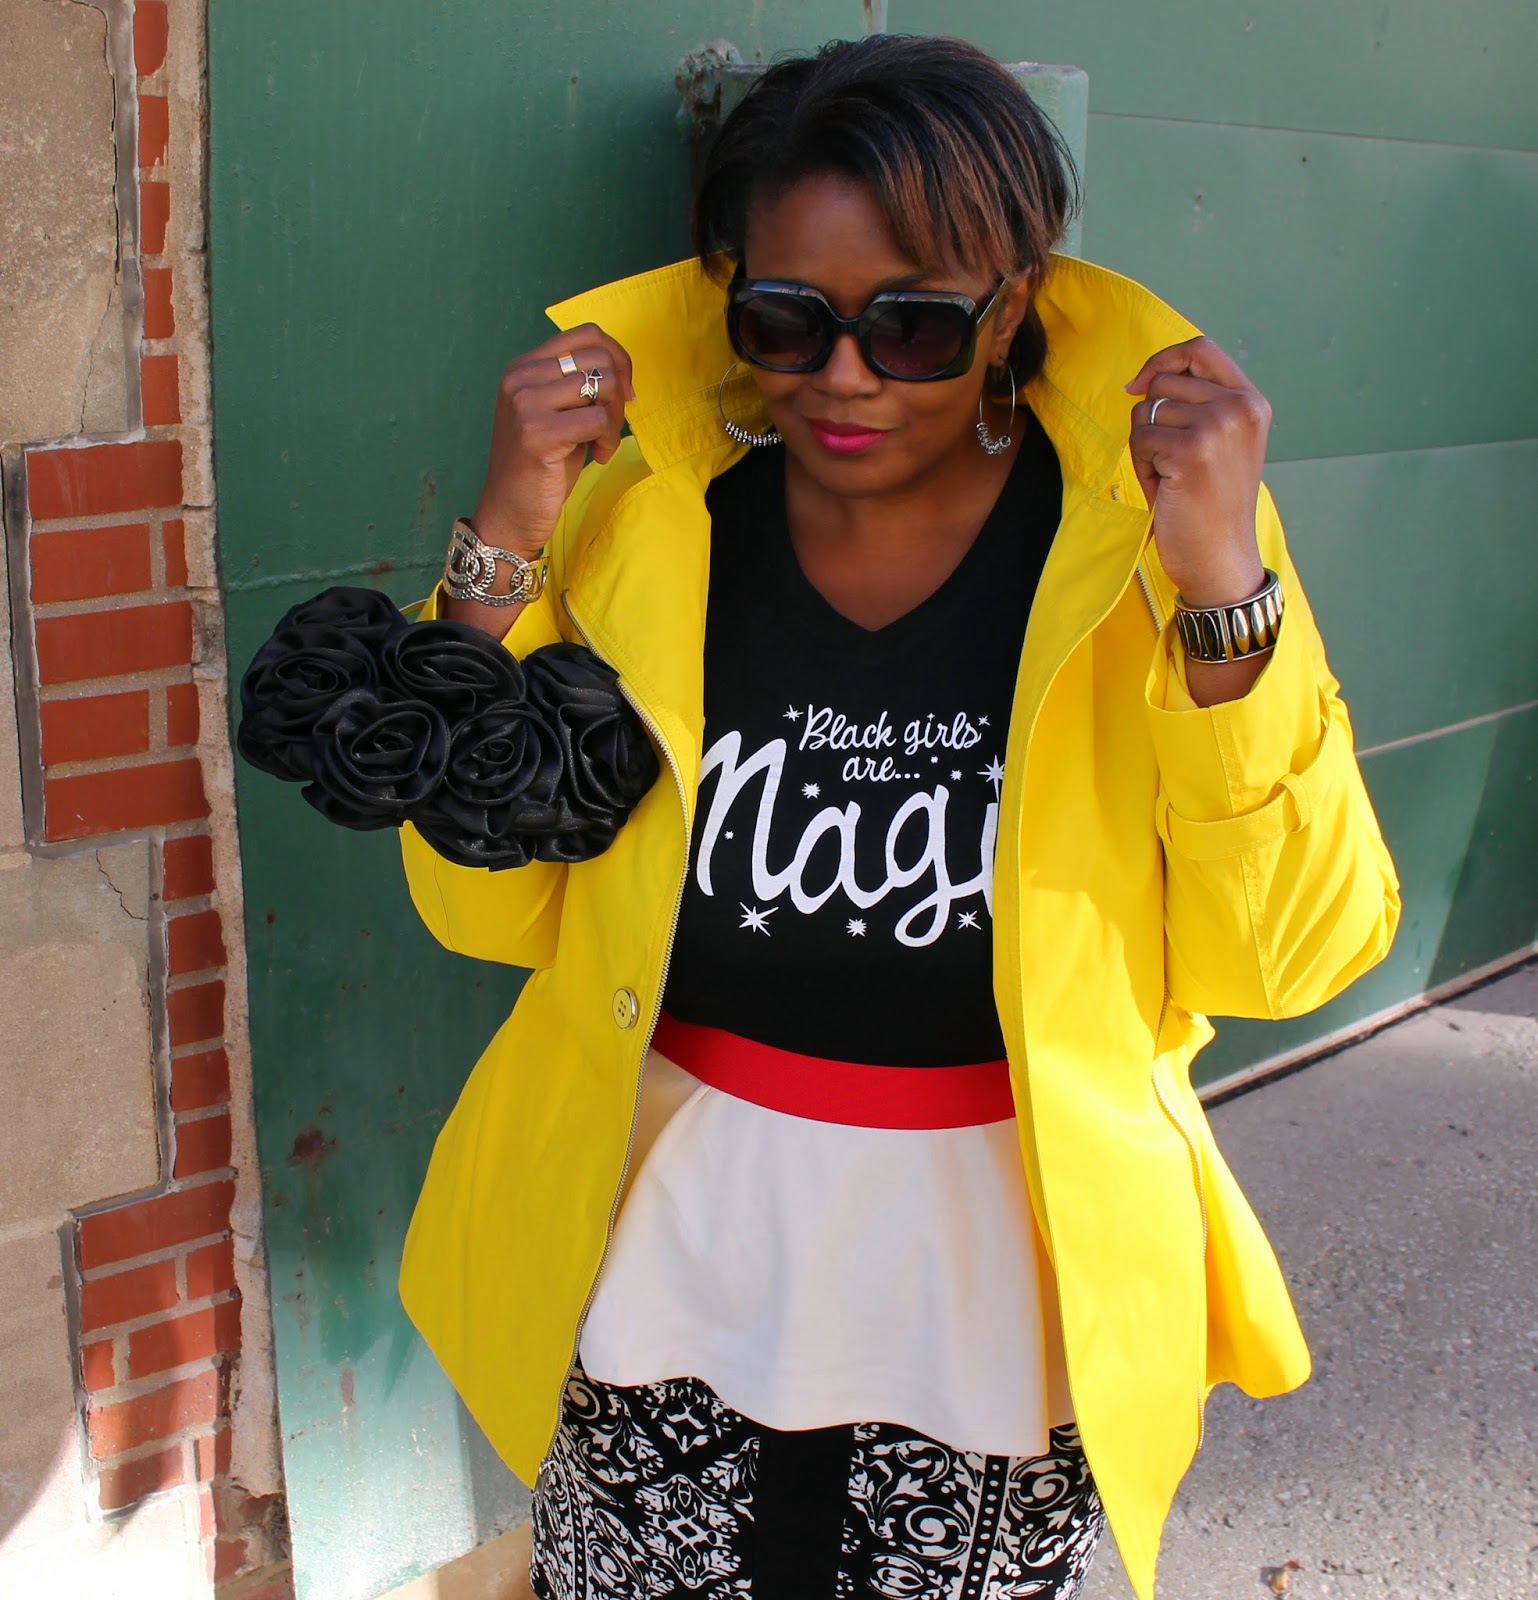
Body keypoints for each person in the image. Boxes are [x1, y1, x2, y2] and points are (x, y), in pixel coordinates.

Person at [394, 34, 1400, 1600]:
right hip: (668, 1229)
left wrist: (1222, 591)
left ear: (1011, 307)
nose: (845, 376)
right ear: (729, 295)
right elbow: (482, 905)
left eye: (914, 324)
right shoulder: (641, 522)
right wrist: (504, 540)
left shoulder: (1142, 541)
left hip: (1001, 1263)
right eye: (786, 321)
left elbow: (1286, 959)